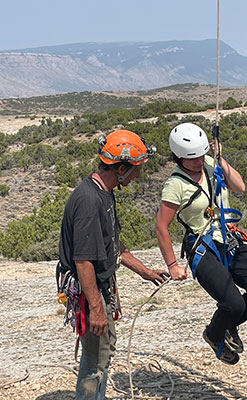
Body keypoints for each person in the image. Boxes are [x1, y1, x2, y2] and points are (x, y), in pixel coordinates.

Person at [59, 129, 168, 400]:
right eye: (136, 170)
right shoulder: (88, 201)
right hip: (90, 292)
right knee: (96, 360)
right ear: (120, 167)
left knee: (103, 351)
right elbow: (83, 259)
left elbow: (113, 243)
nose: (138, 176)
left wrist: (145, 271)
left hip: (99, 287)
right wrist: (96, 309)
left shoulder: (104, 192)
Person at [156, 122, 247, 365]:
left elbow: (239, 187)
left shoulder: (210, 163)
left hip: (228, 235)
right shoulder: (175, 185)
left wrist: (220, 159)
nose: (199, 161)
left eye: (202, 155)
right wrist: (172, 265)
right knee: (233, 303)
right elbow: (161, 226)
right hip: (201, 244)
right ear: (179, 158)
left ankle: (228, 326)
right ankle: (215, 333)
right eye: (193, 159)